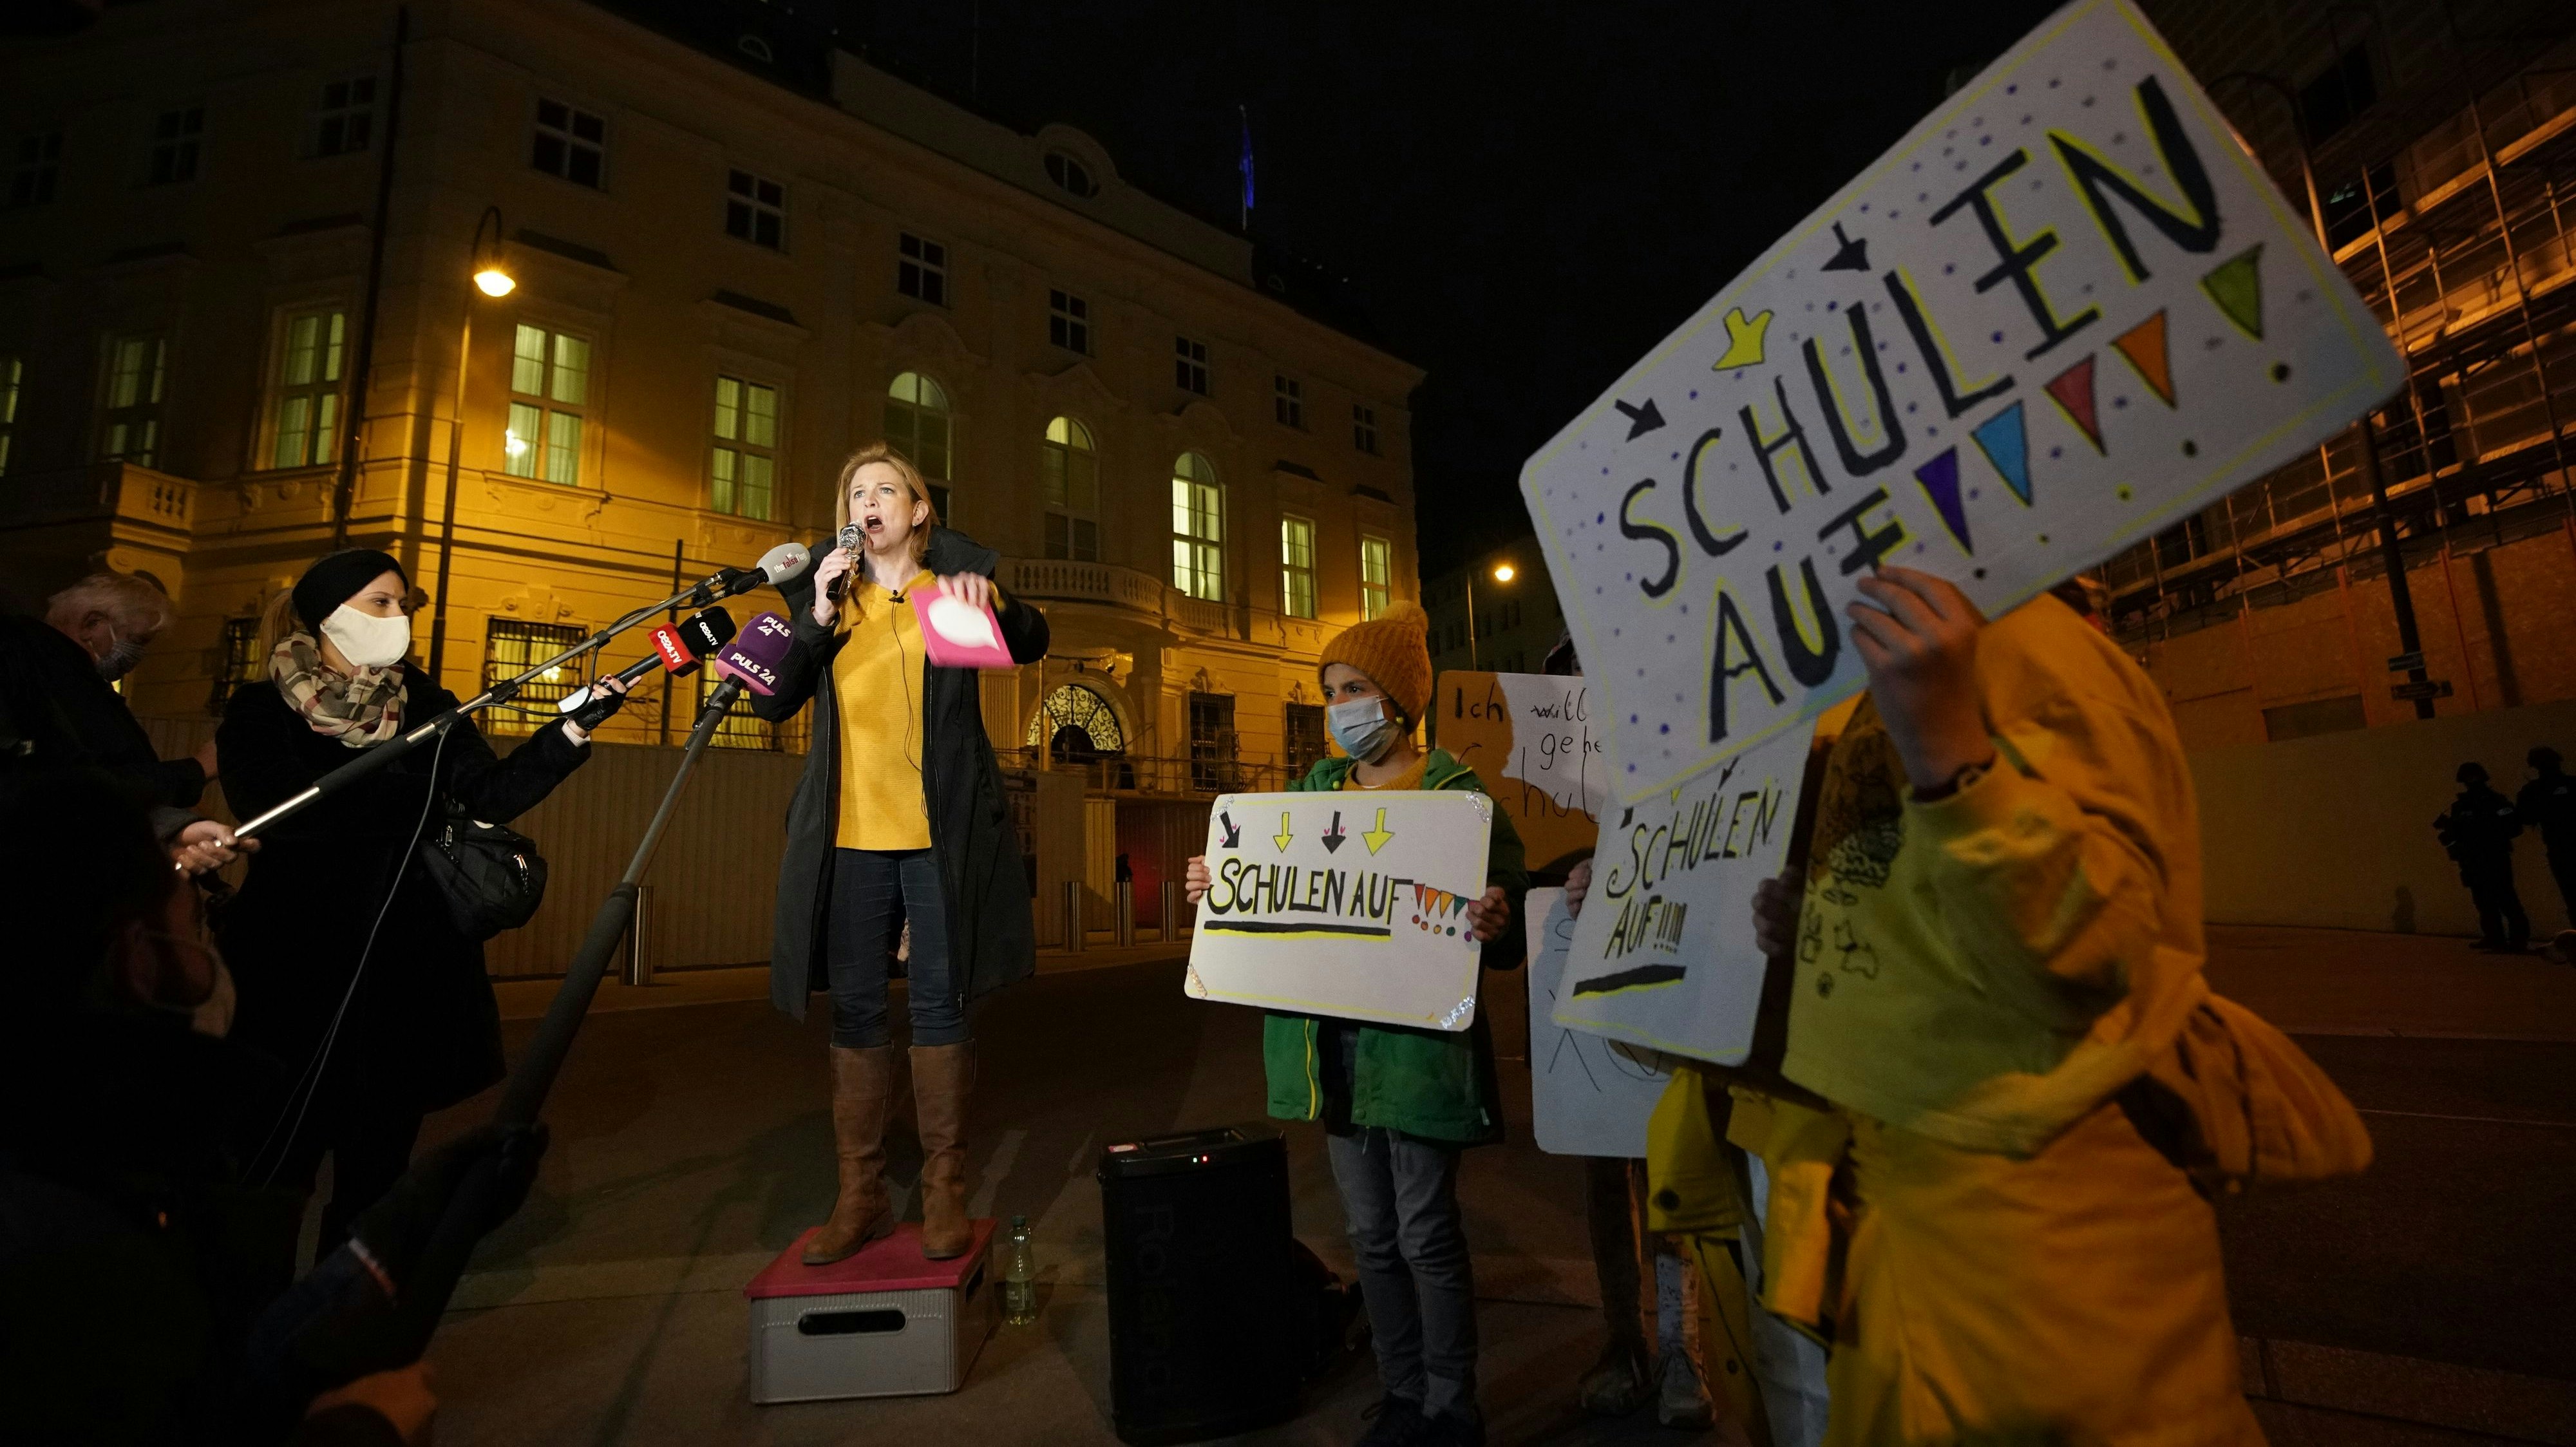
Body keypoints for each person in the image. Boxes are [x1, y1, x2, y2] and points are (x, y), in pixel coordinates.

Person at [1732, 566, 2299, 1445]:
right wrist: (1822, 913)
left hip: (2036, 1271)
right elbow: (1931, 906)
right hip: (1917, 1247)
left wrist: (1950, 740)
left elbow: (2090, 948)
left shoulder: (2037, 651)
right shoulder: (1881, 675)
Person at [0, 768, 548, 1446]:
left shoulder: (109, 1163)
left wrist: (387, 1245)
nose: (211, 941)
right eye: (198, 919)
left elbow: (229, 1375)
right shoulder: (69, 1254)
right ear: (140, 962)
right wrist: (361, 1429)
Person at [1186, 601, 1526, 1447]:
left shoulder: (1457, 799)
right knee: (1371, 1235)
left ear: (1400, 699)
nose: (1341, 705)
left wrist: (1496, 915)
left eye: (1356, 688)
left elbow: (1507, 915)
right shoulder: (1311, 794)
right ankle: (1401, 1391)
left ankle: (1452, 1403)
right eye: (1331, 690)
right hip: (1332, 1051)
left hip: (1417, 1056)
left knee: (1425, 1232)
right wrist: (1217, 882)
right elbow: (1267, 887)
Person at [215, 549, 616, 1262]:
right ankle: (248, 1335)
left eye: (405, 604)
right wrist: (414, 799)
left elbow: (488, 795)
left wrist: (568, 733)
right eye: (380, 603)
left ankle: (346, 1334)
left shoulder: (427, 706)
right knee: (274, 1168)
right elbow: (281, 816)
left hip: (406, 969)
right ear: (327, 614)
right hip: (294, 970)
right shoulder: (258, 709)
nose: (398, 618)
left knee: (376, 1173)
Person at [751, 443, 1050, 1265]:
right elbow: (772, 701)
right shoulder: (827, 593)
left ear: (919, 511)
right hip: (850, 839)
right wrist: (813, 613)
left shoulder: (945, 590)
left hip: (936, 836)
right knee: (852, 1011)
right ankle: (862, 1194)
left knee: (939, 1005)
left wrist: (994, 602)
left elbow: (1030, 641)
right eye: (856, 490)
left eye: (886, 489)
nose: (868, 500)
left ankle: (947, 1186)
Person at [0, 572, 251, 875]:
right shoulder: (55, 679)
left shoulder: (65, 674)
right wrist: (199, 768)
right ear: (91, 623)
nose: (138, 656)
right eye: (137, 641)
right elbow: (92, 784)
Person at [2437, 761, 2529, 952]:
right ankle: (2495, 938)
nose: (2473, 782)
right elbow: (2454, 834)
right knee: (2484, 901)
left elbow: (2513, 827)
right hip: (2473, 859)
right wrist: (2450, 831)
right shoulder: (2461, 806)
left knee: (2505, 899)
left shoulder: (2496, 802)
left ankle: (2517, 941)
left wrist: (2483, 831)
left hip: (2494, 856)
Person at [2516, 746, 2575, 927]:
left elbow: (2525, 817)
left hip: (2559, 848)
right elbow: (2525, 817)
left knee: (2571, 896)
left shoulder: (2533, 790)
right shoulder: (2568, 784)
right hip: (2559, 848)